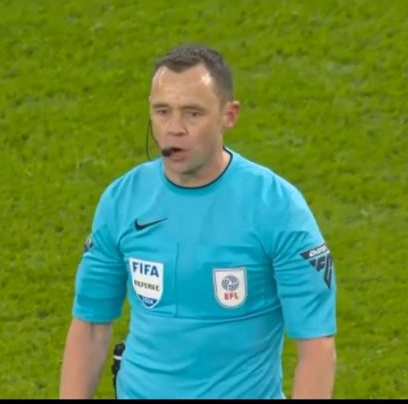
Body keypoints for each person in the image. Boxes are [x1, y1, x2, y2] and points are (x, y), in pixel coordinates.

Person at [59, 44, 337, 399]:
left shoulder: (277, 209)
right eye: (162, 111)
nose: (174, 128)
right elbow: (91, 324)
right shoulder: (122, 200)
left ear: (228, 115)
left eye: (193, 113)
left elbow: (316, 347)